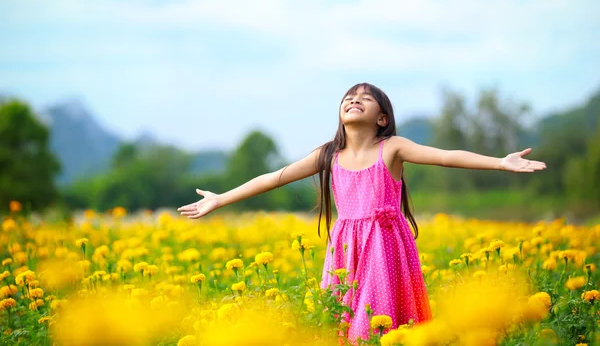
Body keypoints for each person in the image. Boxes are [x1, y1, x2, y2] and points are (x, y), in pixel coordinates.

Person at [177, 82, 546, 342]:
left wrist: (501, 162)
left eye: (365, 99)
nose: (354, 101)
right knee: (343, 326)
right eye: (349, 98)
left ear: (382, 118)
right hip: (345, 254)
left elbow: (446, 157)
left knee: (378, 327)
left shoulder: (393, 148)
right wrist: (220, 199)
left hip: (386, 250)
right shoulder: (328, 155)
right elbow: (274, 178)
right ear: (340, 113)